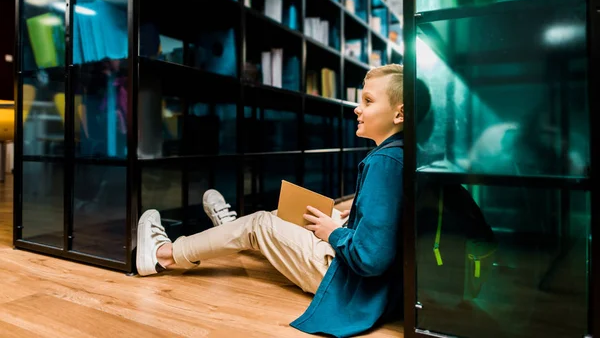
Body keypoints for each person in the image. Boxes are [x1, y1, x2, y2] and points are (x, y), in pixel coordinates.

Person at [135, 64, 405, 337]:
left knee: (259, 224)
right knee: (281, 214)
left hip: (351, 282)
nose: (357, 109)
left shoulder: (385, 162)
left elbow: (371, 258)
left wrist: (334, 232)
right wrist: (352, 221)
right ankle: (231, 231)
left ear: (400, 113)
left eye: (368, 101)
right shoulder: (400, 154)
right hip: (372, 284)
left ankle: (162, 255)